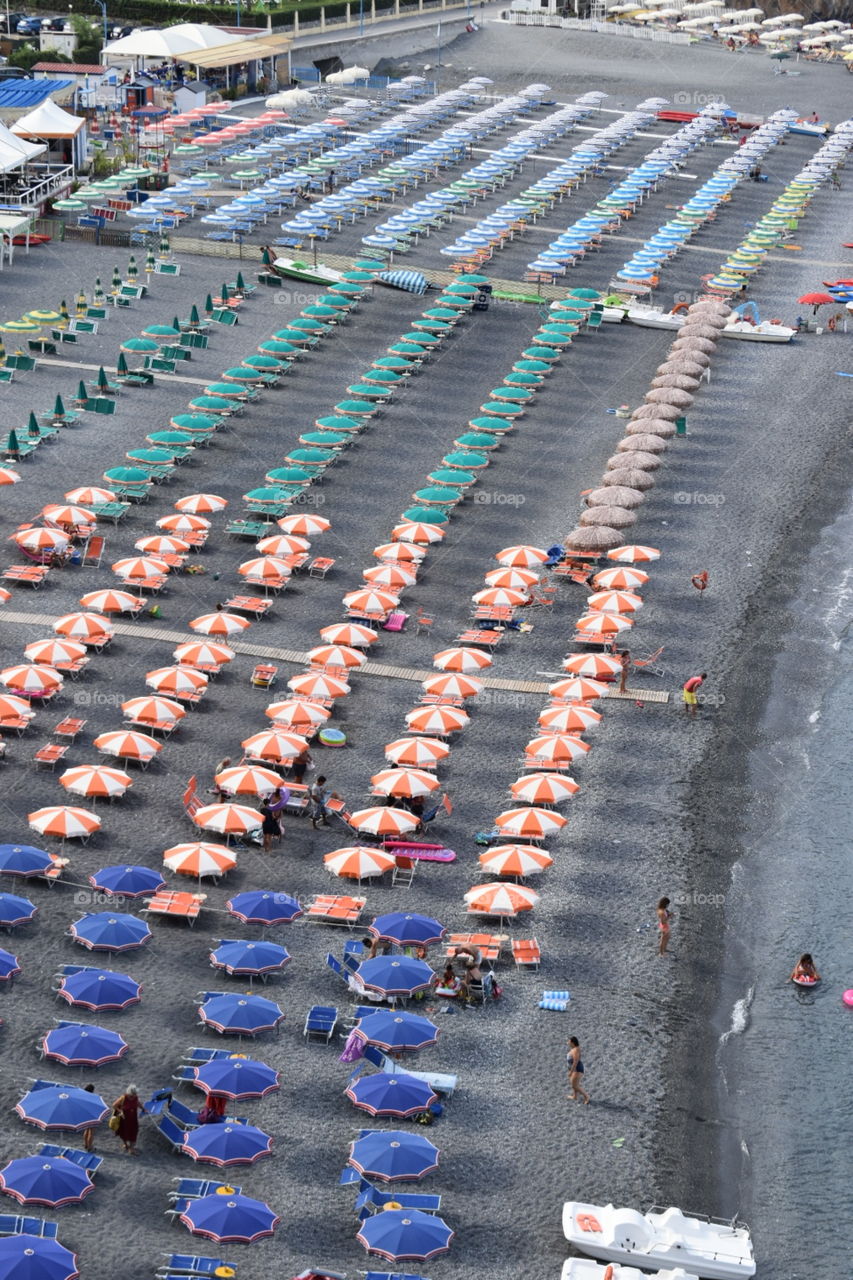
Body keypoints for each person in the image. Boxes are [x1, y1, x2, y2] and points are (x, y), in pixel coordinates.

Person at [112, 1085, 143, 1155]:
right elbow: (114, 1105)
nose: (135, 1095)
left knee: (134, 1132)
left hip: (133, 1119)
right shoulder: (123, 1097)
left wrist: (143, 1108)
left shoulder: (135, 1097)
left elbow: (138, 1103)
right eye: (134, 1093)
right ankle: (126, 1145)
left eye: (135, 1093)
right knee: (124, 1132)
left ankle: (131, 1148)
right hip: (124, 1119)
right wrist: (120, 1111)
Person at [260, 785, 289, 851]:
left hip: (265, 824)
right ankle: (269, 848)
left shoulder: (263, 808)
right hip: (276, 814)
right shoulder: (280, 798)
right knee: (270, 835)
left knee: (265, 836)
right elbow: (274, 815)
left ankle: (265, 847)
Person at [567, 1037, 589, 1104]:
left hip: (577, 1069)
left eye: (569, 1041)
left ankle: (587, 1097)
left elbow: (575, 1061)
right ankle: (575, 1096)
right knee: (573, 1084)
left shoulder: (576, 1050)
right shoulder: (574, 1049)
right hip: (574, 1069)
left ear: (572, 1042)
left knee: (575, 1086)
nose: (568, 1042)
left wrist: (571, 1071)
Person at [83, 1083, 96, 1152]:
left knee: (86, 1130)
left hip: (85, 1115)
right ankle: (90, 1147)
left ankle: (85, 1144)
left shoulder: (82, 1096)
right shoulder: (92, 1097)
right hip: (91, 1115)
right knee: (91, 1132)